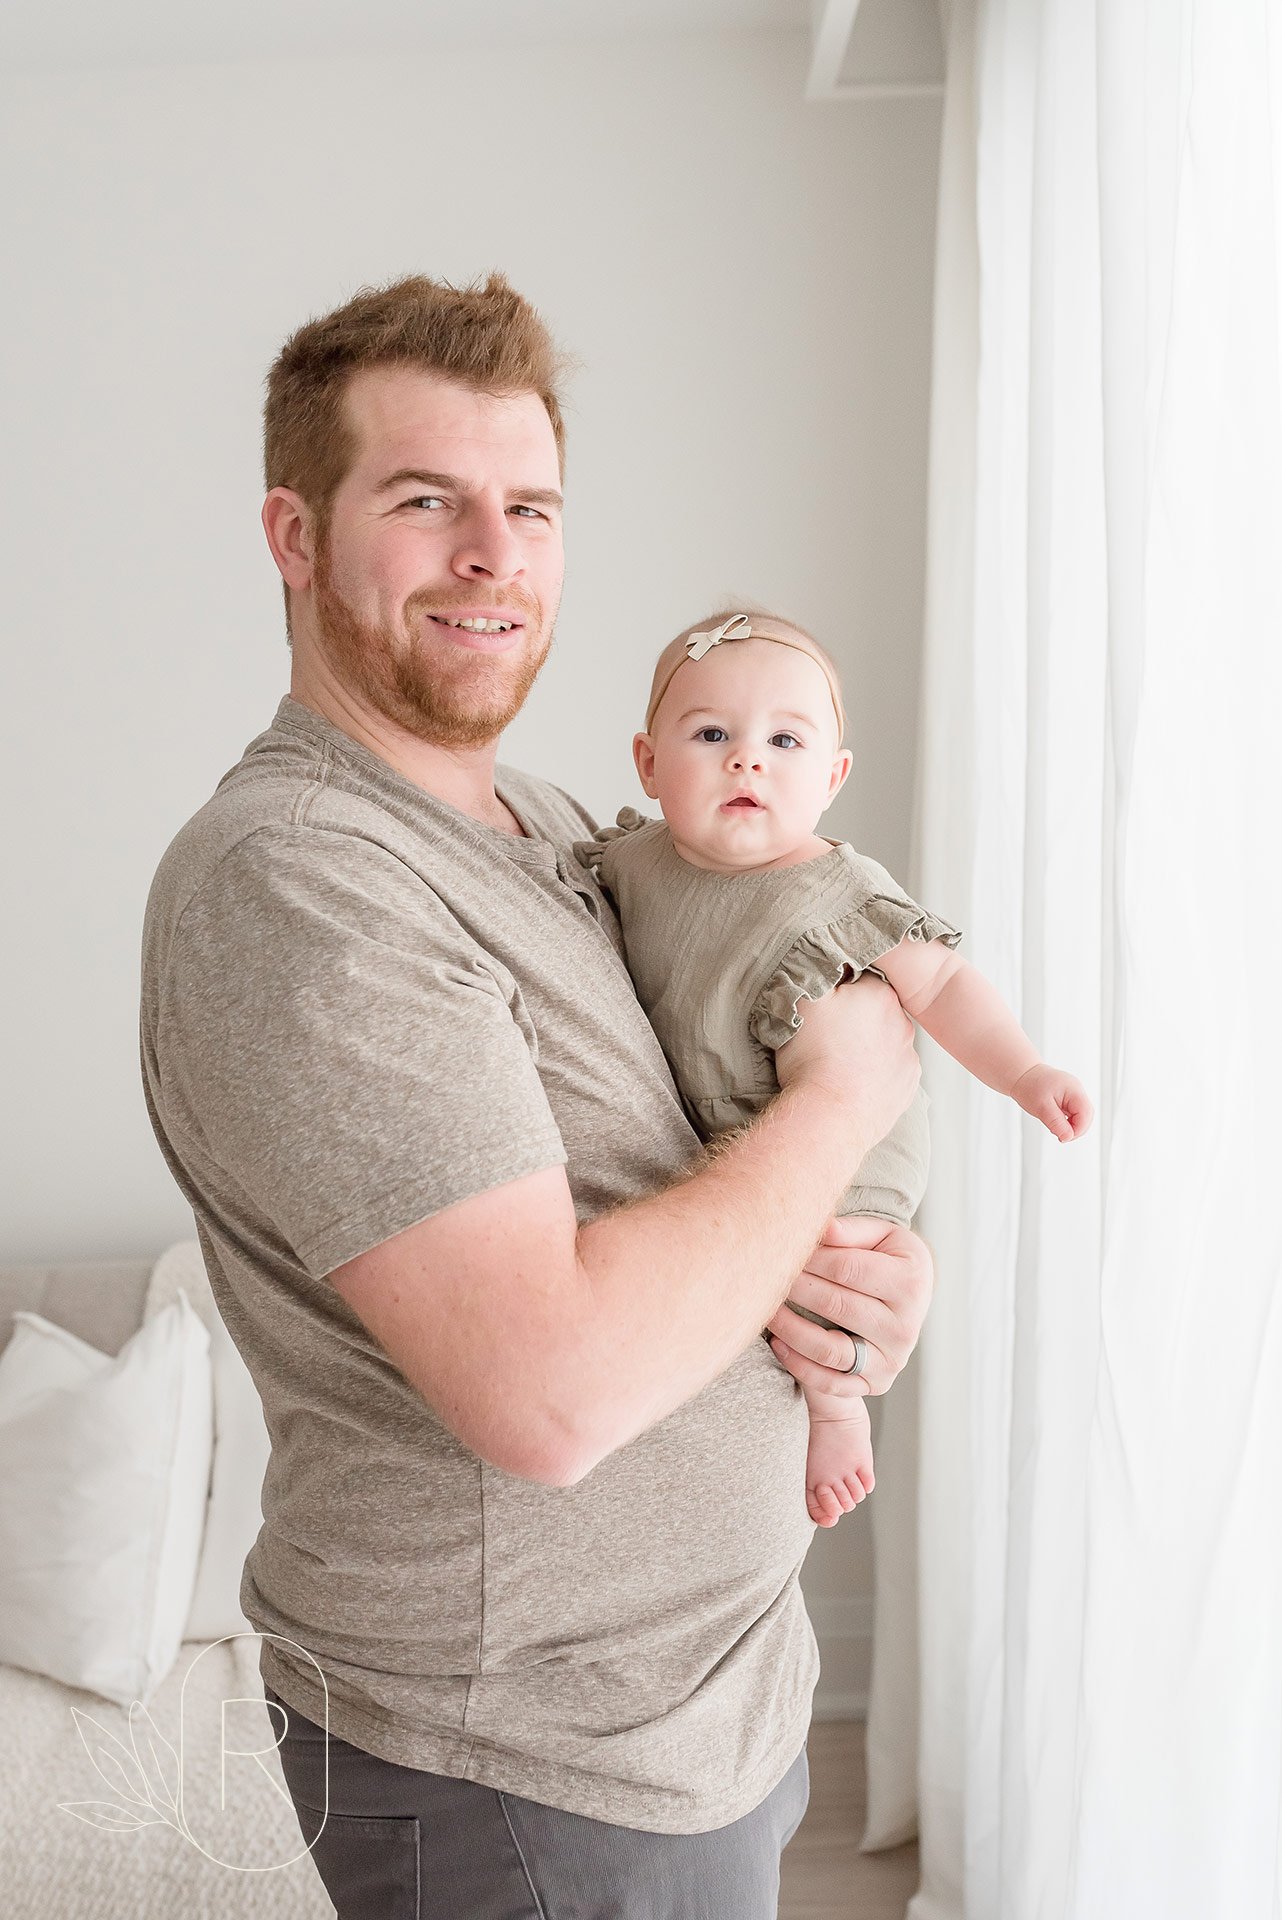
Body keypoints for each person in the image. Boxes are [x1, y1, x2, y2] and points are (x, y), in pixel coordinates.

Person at [139, 273, 935, 1920]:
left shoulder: (567, 832)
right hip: (522, 1772)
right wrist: (839, 1111)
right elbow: (546, 1392)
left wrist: (856, 1289)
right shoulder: (302, 879)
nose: (492, 554)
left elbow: (701, 1173)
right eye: (426, 503)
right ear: (294, 535)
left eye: (530, 508)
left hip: (710, 1707)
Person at [574, 609, 1093, 1533]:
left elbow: (942, 985)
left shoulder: (840, 890)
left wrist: (1024, 1071)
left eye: (784, 739)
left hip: (849, 1146)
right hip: (727, 1126)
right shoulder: (632, 863)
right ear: (649, 764)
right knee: (739, 1251)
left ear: (832, 776)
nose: (747, 761)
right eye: (711, 735)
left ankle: (836, 1407)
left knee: (832, 1266)